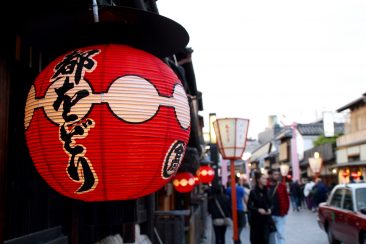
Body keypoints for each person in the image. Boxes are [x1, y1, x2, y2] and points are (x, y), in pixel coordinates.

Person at [247, 172, 272, 244]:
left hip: (266, 220)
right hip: (256, 221)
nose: (265, 180)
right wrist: (258, 210)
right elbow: (249, 206)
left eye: (266, 179)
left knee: (266, 240)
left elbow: (271, 204)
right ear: (258, 180)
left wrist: (270, 209)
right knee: (256, 240)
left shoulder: (267, 191)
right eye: (263, 178)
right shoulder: (253, 192)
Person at [268, 169, 290, 244]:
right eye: (275, 174)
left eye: (278, 174)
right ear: (271, 175)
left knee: (280, 234)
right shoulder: (267, 186)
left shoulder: (282, 186)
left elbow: (286, 199)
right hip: (269, 214)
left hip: (280, 214)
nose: (277, 176)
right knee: (271, 234)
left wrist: (285, 210)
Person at [226, 175, 248, 243]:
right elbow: (245, 200)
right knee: (241, 225)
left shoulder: (228, 189)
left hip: (232, 210)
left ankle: (236, 237)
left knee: (236, 226)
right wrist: (248, 208)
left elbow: (227, 200)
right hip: (240, 210)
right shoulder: (241, 189)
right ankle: (236, 236)